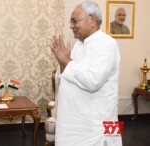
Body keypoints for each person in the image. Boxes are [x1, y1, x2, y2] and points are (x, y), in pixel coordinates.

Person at [49, 1, 122, 146]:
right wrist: (61, 62)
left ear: (92, 19)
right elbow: (69, 76)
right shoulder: (79, 44)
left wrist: (66, 60)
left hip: (94, 127)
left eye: (75, 21)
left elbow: (93, 81)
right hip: (73, 124)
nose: (71, 26)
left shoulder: (107, 44)